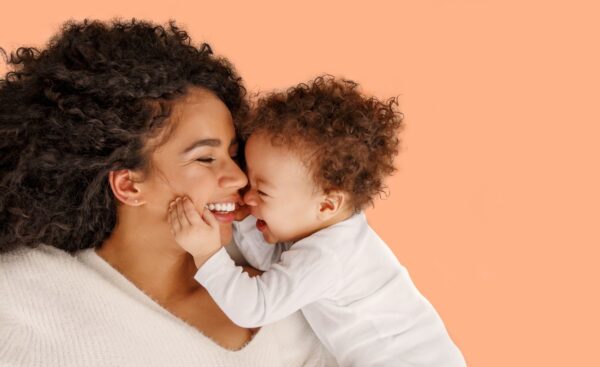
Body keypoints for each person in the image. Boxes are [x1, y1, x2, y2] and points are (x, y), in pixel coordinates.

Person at [0, 19, 337, 366]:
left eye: (233, 154)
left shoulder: (284, 271)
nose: (237, 177)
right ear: (129, 185)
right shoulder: (24, 295)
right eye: (206, 158)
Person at [169, 77, 466, 366]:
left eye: (262, 191)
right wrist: (243, 220)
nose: (247, 197)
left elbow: (256, 306)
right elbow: (276, 269)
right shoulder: (324, 229)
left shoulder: (329, 255)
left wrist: (206, 254)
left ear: (326, 204)